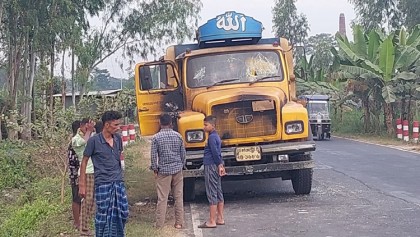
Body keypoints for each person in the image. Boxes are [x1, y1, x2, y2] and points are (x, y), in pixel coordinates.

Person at [79, 111, 129, 237]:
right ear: (107, 125)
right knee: (103, 216)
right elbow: (84, 161)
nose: (118, 128)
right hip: (103, 184)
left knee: (123, 212)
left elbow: (119, 158)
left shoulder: (117, 139)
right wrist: (82, 185)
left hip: (118, 182)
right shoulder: (94, 141)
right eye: (115, 125)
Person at [150, 113, 186, 229]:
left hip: (164, 171)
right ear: (171, 123)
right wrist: (181, 165)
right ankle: (179, 223)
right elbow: (183, 155)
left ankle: (159, 224)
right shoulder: (178, 136)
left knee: (162, 198)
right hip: (177, 170)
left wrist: (155, 169)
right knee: (178, 197)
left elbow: (153, 156)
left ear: (160, 123)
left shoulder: (156, 138)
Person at [198, 115, 226, 229]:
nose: (204, 127)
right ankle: (220, 217)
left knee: (211, 192)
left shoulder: (211, 138)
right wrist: (221, 165)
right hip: (216, 165)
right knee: (218, 191)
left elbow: (215, 153)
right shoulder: (216, 137)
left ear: (212, 126)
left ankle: (212, 220)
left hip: (211, 165)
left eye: (206, 125)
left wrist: (219, 164)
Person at [68, 120, 81, 230]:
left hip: (76, 175)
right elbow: (76, 161)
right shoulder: (74, 143)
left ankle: (78, 221)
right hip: (76, 175)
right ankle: (77, 222)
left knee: (79, 198)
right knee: (76, 198)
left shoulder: (74, 141)